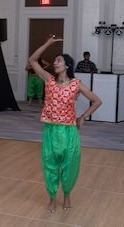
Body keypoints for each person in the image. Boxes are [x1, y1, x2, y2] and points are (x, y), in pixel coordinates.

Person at [28, 35, 102, 213]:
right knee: (50, 165)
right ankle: (52, 198)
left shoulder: (76, 84)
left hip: (69, 131)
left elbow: (97, 100)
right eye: (54, 61)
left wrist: (83, 117)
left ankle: (67, 194)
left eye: (59, 61)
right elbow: (32, 60)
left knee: (69, 166)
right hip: (51, 130)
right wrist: (47, 43)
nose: (55, 63)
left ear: (67, 65)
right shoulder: (48, 80)